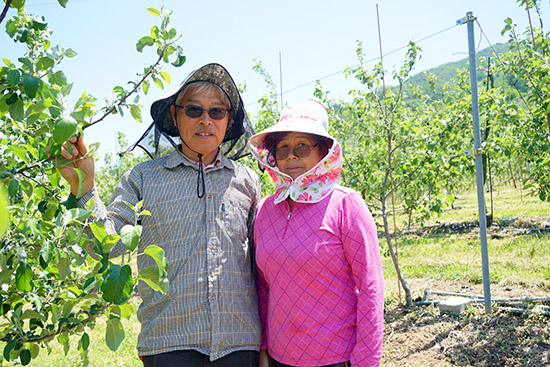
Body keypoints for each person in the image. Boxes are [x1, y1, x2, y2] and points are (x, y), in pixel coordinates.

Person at [58, 63, 262, 366]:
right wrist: (86, 186)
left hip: (238, 343)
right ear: (175, 116)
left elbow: (264, 264)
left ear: (228, 119)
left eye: (216, 112)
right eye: (194, 110)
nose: (206, 120)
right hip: (169, 344)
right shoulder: (143, 177)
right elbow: (108, 244)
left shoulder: (246, 180)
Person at [248, 100, 384, 367]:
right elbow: (263, 286)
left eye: (302, 146)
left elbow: (371, 287)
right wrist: (263, 348)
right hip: (279, 357)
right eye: (282, 148)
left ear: (323, 152)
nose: (291, 156)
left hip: (335, 357)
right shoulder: (266, 210)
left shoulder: (346, 205)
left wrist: (365, 361)